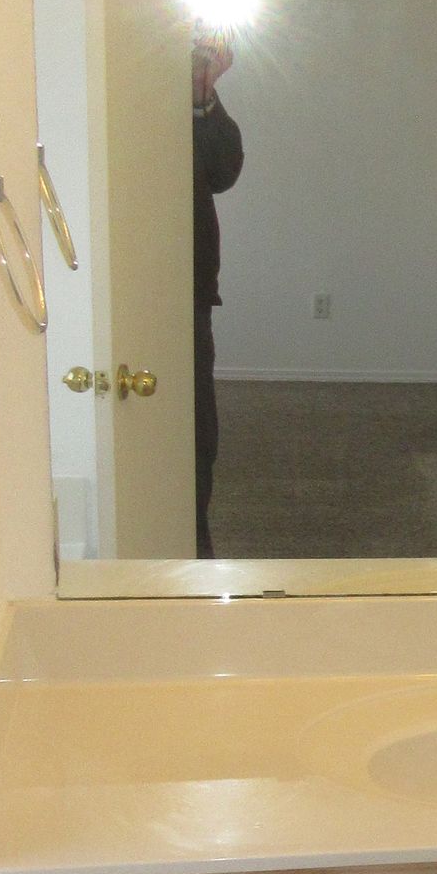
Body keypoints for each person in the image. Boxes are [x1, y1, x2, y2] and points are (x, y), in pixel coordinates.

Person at [192, 36, 245, 557]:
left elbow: (224, 171)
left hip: (189, 284)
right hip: (134, 273)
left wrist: (204, 95)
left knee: (197, 424)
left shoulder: (196, 103)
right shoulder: (124, 89)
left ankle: (195, 537)